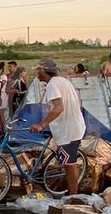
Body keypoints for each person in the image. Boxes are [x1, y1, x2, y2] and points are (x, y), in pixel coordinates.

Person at [28, 58, 84, 196]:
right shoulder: (62, 81)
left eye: (37, 71)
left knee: (70, 164)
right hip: (69, 126)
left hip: (68, 129)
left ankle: (73, 197)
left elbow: (59, 107)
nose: (36, 74)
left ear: (42, 71)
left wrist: (42, 124)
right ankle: (72, 194)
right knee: (68, 162)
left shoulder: (53, 85)